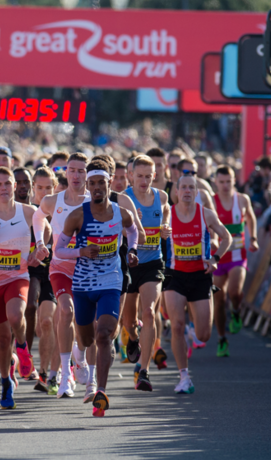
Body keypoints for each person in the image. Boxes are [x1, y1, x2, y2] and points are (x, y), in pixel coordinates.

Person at [56, 163, 139, 417]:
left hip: (110, 281)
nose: (96, 188)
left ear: (109, 183)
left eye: (100, 183)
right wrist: (80, 251)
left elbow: (133, 231)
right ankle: (79, 354)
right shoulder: (77, 216)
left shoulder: (121, 213)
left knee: (104, 335)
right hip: (82, 284)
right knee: (86, 338)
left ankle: (100, 391)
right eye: (91, 184)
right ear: (88, 187)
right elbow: (58, 251)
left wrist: (132, 250)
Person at [0, 167, 46, 409]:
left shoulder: (29, 212)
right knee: (3, 339)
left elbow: (49, 233)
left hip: (18, 277)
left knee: (16, 315)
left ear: (15, 186)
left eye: (8, 183)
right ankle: (6, 382)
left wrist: (39, 250)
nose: (4, 188)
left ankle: (23, 348)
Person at [164, 174, 231, 394]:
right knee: (176, 325)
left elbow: (227, 237)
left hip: (200, 276)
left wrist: (216, 259)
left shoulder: (206, 215)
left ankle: (194, 333)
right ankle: (184, 376)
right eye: (182, 187)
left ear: (196, 192)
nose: (186, 191)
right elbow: (149, 237)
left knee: (204, 335)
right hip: (175, 276)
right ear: (176, 192)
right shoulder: (168, 214)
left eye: (191, 188)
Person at [33, 153, 90, 398]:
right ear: (66, 173)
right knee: (65, 311)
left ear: (89, 174)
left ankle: (80, 355)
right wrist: (39, 242)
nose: (76, 175)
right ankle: (65, 377)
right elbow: (37, 217)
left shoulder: (95, 201)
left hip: (88, 268)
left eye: (81, 171)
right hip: (59, 266)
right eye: (72, 170)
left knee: (85, 322)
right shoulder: (53, 200)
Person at [123, 155, 170, 391]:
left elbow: (166, 212)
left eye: (148, 176)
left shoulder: (161, 196)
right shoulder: (124, 198)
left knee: (149, 313)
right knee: (128, 321)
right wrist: (129, 227)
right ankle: (133, 338)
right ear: (130, 175)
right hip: (130, 263)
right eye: (139, 175)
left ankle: (144, 371)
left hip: (153, 263)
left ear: (155, 175)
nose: (143, 180)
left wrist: (165, 229)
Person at [211, 165, 259, 357]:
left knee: (234, 291)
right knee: (219, 301)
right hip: (218, 257)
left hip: (238, 255)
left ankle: (237, 309)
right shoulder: (211, 202)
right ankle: (222, 338)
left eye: (228, 181)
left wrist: (253, 237)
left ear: (234, 181)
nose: (225, 185)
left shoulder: (242, 199)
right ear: (216, 182)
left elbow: (251, 218)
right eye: (221, 182)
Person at [28, 167, 59, 394]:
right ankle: (19, 354)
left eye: (48, 187)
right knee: (30, 316)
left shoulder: (61, 210)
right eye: (39, 187)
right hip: (27, 272)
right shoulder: (25, 212)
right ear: (33, 188)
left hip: (54, 272)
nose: (44, 192)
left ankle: (45, 373)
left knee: (48, 322)